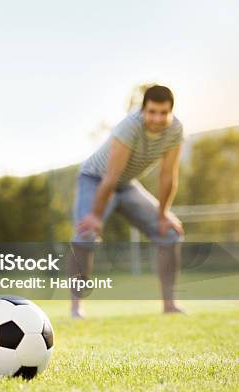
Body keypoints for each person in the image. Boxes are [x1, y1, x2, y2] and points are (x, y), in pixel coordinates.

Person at [69, 85, 185, 319]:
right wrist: (94, 215)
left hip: (126, 184)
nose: (158, 118)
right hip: (95, 179)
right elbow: (110, 176)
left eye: (164, 113)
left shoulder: (175, 130)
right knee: (85, 235)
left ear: (171, 112)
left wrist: (163, 215)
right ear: (143, 110)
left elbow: (168, 176)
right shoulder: (129, 127)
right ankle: (76, 307)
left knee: (171, 233)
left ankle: (169, 304)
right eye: (152, 112)